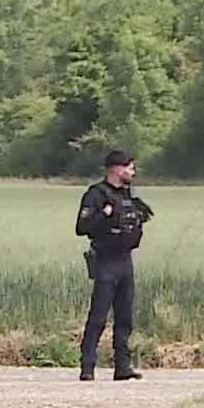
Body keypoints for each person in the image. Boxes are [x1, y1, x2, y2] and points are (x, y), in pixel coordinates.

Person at [75, 150, 152, 381]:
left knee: (125, 316)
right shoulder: (96, 195)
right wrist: (104, 215)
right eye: (129, 168)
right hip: (105, 259)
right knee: (98, 316)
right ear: (117, 169)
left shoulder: (129, 195)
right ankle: (87, 366)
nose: (133, 172)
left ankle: (122, 366)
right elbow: (81, 227)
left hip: (125, 259)